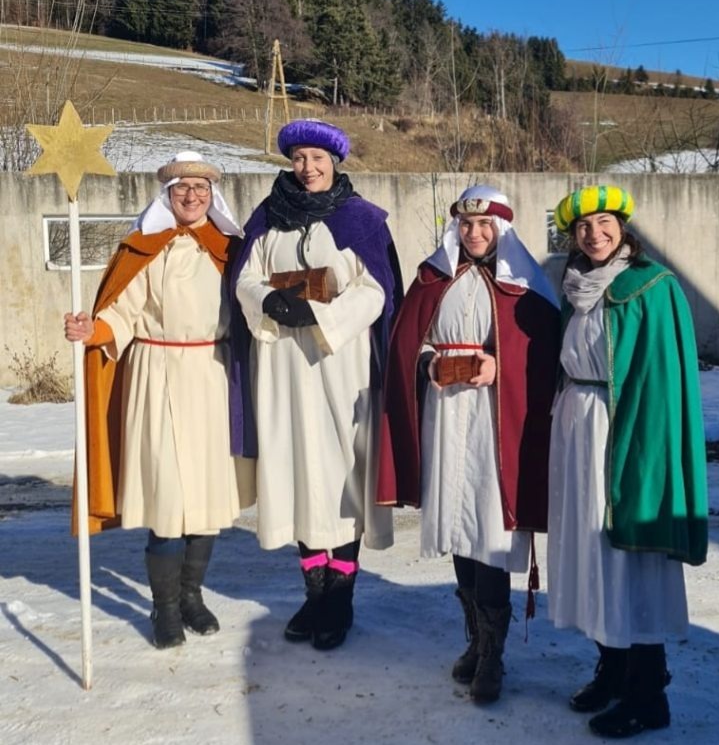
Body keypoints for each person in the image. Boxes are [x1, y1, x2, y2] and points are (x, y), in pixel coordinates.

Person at [377, 185, 560, 704]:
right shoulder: (434, 278)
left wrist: (500, 366)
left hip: (495, 422)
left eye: (484, 226)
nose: (474, 233)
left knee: (489, 530)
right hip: (445, 414)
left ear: (501, 229)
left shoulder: (525, 285)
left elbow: (544, 355)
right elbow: (410, 340)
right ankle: (476, 640)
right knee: (458, 526)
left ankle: (494, 655)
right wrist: (429, 363)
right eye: (466, 224)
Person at [64, 151, 250, 650]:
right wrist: (92, 330)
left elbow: (253, 308)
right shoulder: (144, 248)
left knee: (207, 498)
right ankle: (164, 607)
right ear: (167, 195)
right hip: (158, 374)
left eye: (201, 189)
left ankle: (191, 596)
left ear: (213, 196)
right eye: (182, 188)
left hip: (212, 375)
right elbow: (122, 312)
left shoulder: (230, 250)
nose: (192, 196)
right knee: (168, 497)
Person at [232, 118, 402, 651]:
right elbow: (244, 276)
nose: (308, 168)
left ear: (334, 163)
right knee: (296, 469)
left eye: (317, 159)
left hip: (340, 363)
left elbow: (377, 289)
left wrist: (322, 317)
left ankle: (340, 599)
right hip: (282, 362)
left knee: (341, 474)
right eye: (300, 158)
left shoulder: (361, 220)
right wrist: (267, 300)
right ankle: (314, 593)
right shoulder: (268, 217)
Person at [547, 185, 708, 738]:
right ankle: (611, 668)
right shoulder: (575, 285)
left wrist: (644, 449)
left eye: (604, 222)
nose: (594, 233)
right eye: (582, 227)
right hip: (577, 426)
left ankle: (647, 693)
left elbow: (662, 379)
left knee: (627, 558)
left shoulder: (651, 287)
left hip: (625, 432)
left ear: (622, 227)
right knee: (591, 554)